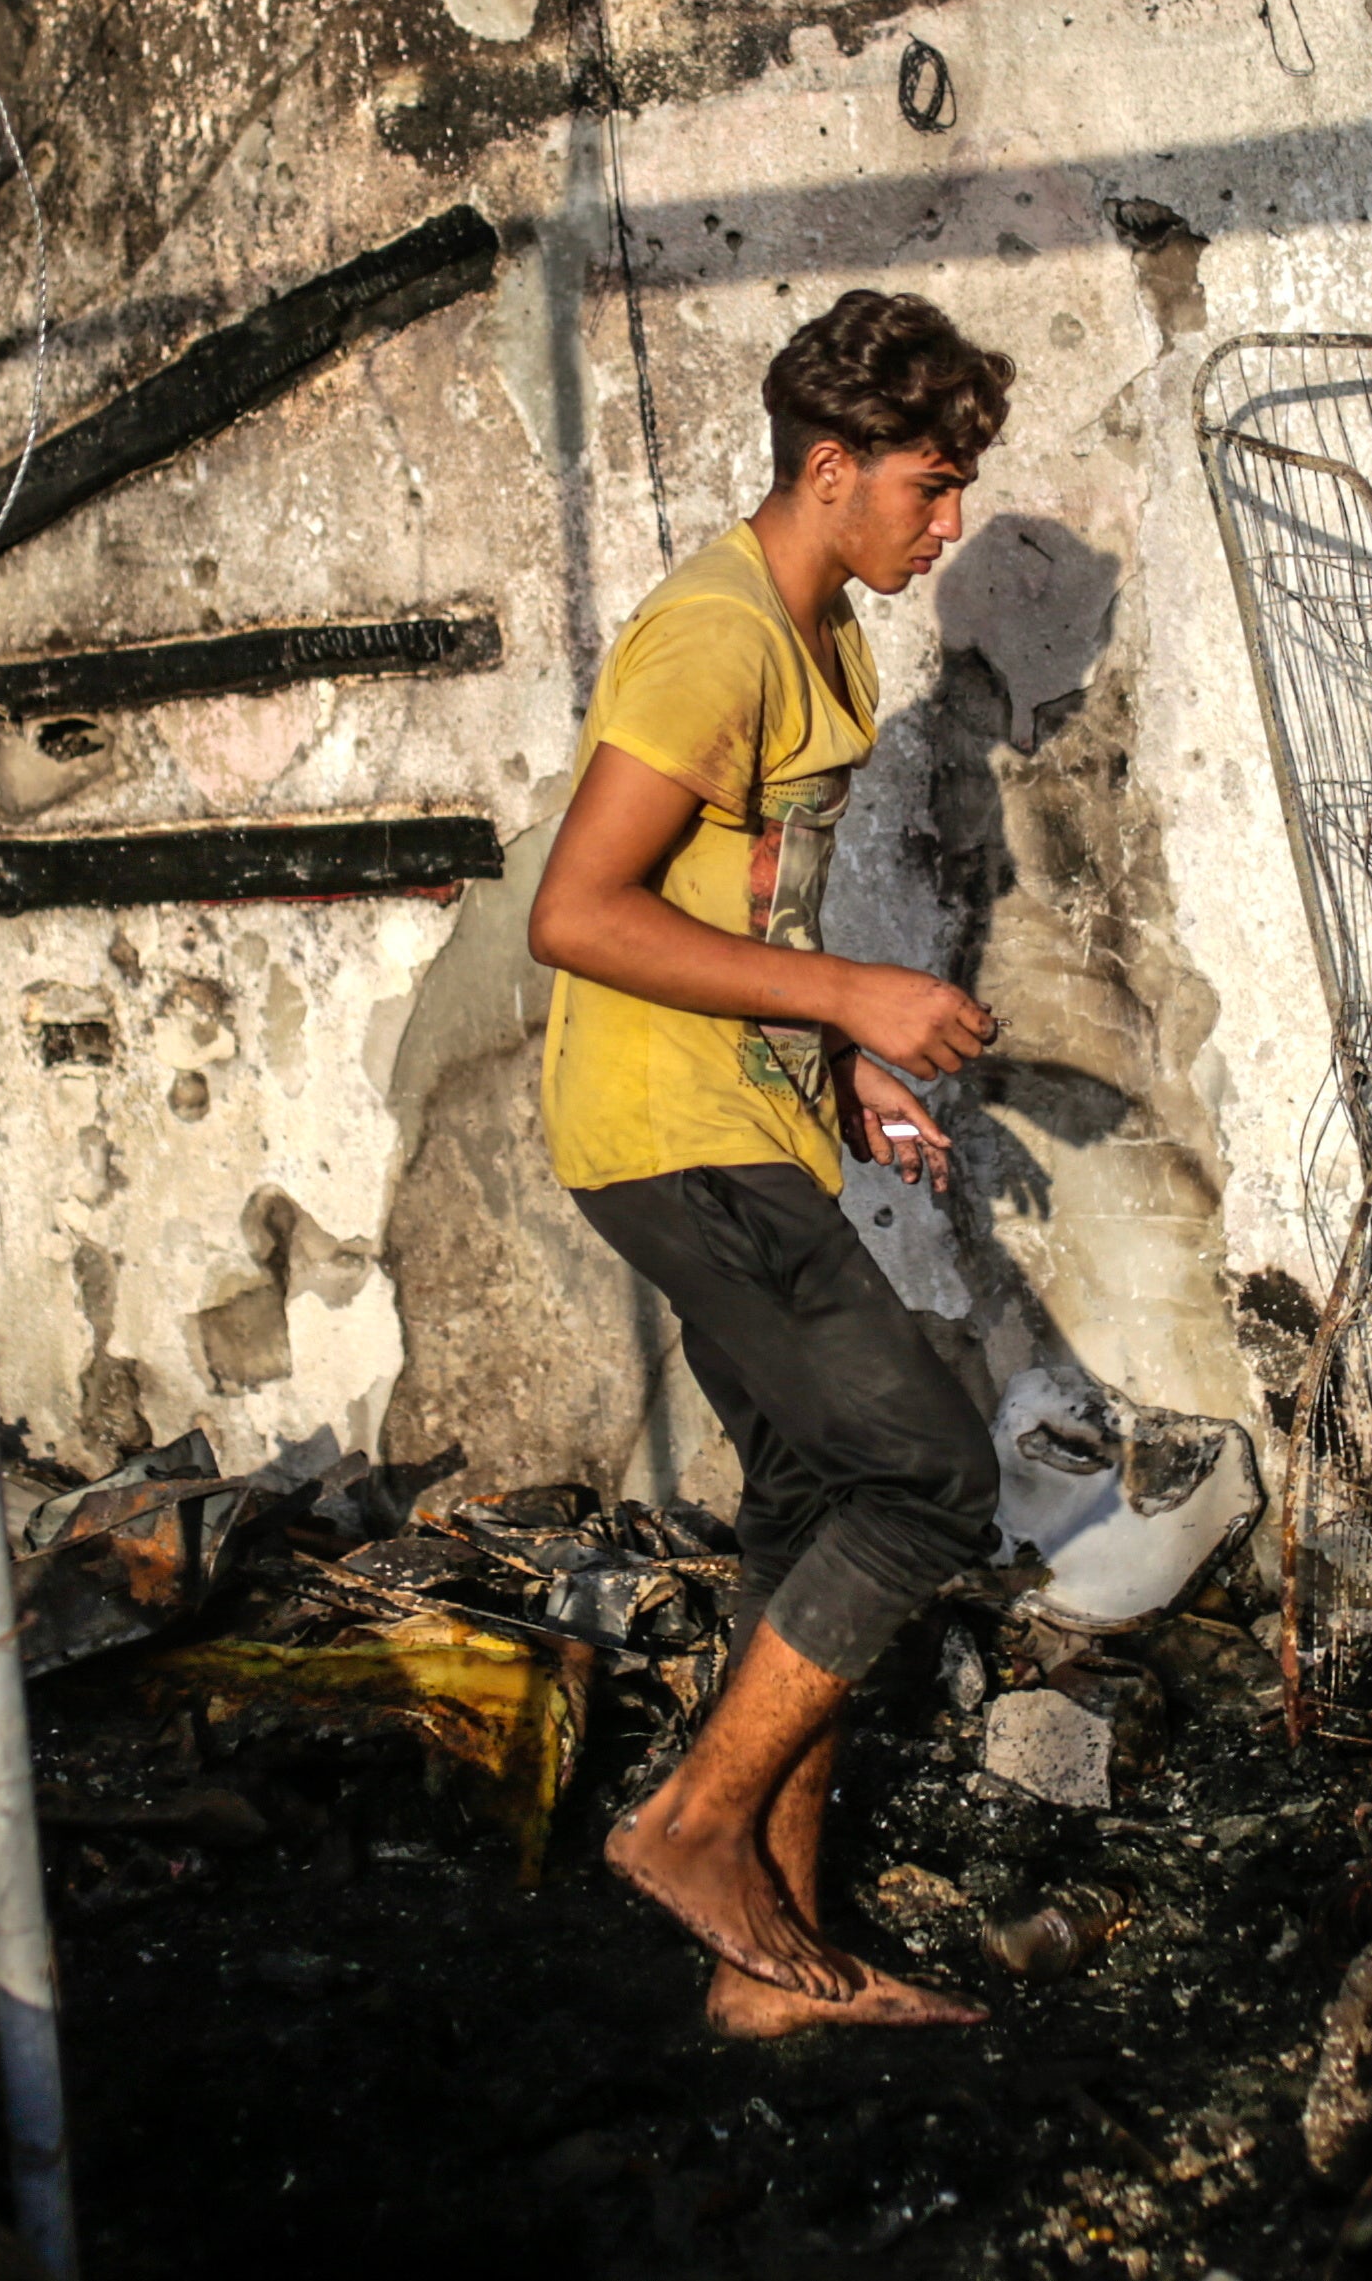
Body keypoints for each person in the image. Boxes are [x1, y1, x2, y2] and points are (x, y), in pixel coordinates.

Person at [527, 289, 1018, 2036]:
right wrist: (860, 989)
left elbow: (728, 908)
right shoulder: (710, 638)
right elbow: (579, 911)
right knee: (928, 1479)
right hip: (663, 1136)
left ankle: (777, 1971)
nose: (946, 524)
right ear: (833, 466)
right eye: (932, 486)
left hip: (738, 1119)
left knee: (815, 1498)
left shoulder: (830, 645)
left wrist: (842, 1054)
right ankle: (692, 1821)